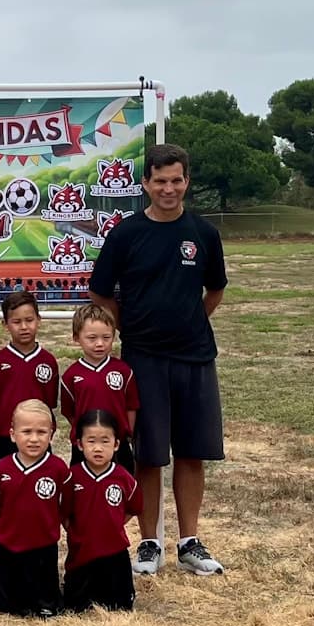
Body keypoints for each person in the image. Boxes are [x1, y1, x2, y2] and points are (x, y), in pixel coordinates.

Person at [89, 143, 227, 576]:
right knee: (149, 454)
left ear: (187, 181)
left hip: (195, 356)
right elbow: (100, 291)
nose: (169, 188)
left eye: (177, 180)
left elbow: (216, 289)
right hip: (144, 358)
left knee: (192, 452)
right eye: (160, 180)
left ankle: (189, 542)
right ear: (145, 183)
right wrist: (129, 326)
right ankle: (149, 543)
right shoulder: (127, 233)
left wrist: (190, 320)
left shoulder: (203, 233)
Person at [0, 400, 70, 617]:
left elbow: (65, 504)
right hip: (8, 542)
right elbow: (4, 499)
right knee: (1, 605)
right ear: (12, 434)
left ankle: (44, 603)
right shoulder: (2, 468)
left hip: (43, 544)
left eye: (41, 432)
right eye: (26, 431)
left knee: (44, 603)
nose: (33, 439)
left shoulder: (58, 469)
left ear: (51, 435)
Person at [61, 410, 143, 612]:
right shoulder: (72, 477)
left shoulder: (123, 478)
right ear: (79, 444)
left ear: (116, 444)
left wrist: (112, 524)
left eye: (105, 441)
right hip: (81, 553)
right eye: (91, 441)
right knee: (75, 607)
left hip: (114, 553)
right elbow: (64, 514)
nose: (98, 448)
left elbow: (134, 508)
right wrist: (79, 531)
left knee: (120, 606)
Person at [60, 304, 138, 473]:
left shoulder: (124, 371)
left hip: (117, 444)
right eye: (92, 338)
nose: (100, 344)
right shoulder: (70, 375)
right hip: (84, 445)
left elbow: (131, 406)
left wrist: (125, 433)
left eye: (106, 337)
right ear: (76, 337)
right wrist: (85, 433)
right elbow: (69, 412)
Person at [0, 291, 59, 465]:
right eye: (16, 322)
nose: (24, 327)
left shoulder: (48, 361)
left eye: (29, 320)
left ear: (39, 320)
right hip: (7, 438)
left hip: (39, 438)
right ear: (5, 324)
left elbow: (49, 401)